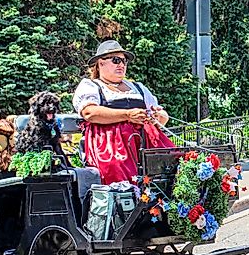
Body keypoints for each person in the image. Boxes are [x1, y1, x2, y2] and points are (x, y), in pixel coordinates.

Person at [74, 39, 175, 184]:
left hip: (145, 143)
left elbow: (163, 117)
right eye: (116, 60)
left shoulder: (138, 88)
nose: (121, 65)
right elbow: (90, 113)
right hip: (111, 145)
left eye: (124, 61)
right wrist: (127, 115)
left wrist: (157, 117)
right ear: (100, 63)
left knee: (173, 162)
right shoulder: (91, 86)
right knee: (117, 168)